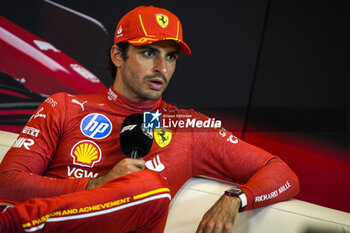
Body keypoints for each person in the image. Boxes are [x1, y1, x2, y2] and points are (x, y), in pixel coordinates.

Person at [0, 5, 299, 233]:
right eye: (148, 53)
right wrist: (95, 185)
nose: (161, 68)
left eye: (171, 58)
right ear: (118, 55)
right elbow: (6, 184)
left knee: (149, 188)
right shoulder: (64, 106)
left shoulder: (189, 127)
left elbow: (281, 173)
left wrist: (235, 198)